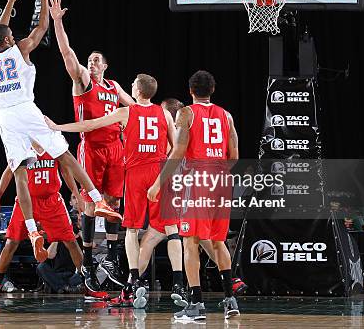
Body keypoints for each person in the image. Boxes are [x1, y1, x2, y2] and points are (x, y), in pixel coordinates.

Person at [0, 0, 120, 263]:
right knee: (64, 154)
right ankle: (97, 199)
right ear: (8, 40)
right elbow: (41, 28)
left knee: (20, 171)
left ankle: (32, 231)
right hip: (25, 108)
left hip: (4, 117)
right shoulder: (19, 49)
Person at [47, 73, 183, 308]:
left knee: (131, 230)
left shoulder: (126, 112)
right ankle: (180, 283)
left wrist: (57, 126)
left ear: (138, 91)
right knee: (172, 230)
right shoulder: (164, 114)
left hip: (137, 174)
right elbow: (174, 149)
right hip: (160, 173)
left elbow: (90, 125)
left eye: (132, 85)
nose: (129, 87)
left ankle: (135, 281)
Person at [48, 0, 133, 291]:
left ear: (106, 65)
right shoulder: (83, 81)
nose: (91, 63)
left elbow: (135, 109)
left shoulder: (114, 86)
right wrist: (57, 22)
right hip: (92, 148)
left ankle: (111, 257)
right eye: (90, 61)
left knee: (114, 202)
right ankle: (86, 260)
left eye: (96, 60)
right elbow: (68, 54)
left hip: (116, 149)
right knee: (89, 204)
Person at [148, 71, 240, 320]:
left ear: (190, 91)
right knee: (219, 242)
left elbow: (177, 152)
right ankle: (230, 300)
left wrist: (158, 183)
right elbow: (234, 157)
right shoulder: (227, 116)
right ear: (212, 90)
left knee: (191, 241)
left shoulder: (186, 113)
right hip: (222, 180)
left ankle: (197, 305)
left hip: (199, 180)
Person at [160, 98, 248, 297]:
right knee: (210, 238)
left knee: (186, 239)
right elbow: (233, 157)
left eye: (163, 113)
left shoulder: (182, 127)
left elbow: (175, 157)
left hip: (192, 186)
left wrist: (158, 184)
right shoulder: (222, 116)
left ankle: (190, 295)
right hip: (217, 182)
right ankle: (229, 286)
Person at [0, 147, 87, 300]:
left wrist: (77, 196)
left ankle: (88, 283)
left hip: (52, 201)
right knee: (11, 243)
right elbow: (8, 172)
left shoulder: (52, 144)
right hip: (27, 201)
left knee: (71, 241)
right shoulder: (22, 146)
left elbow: (66, 171)